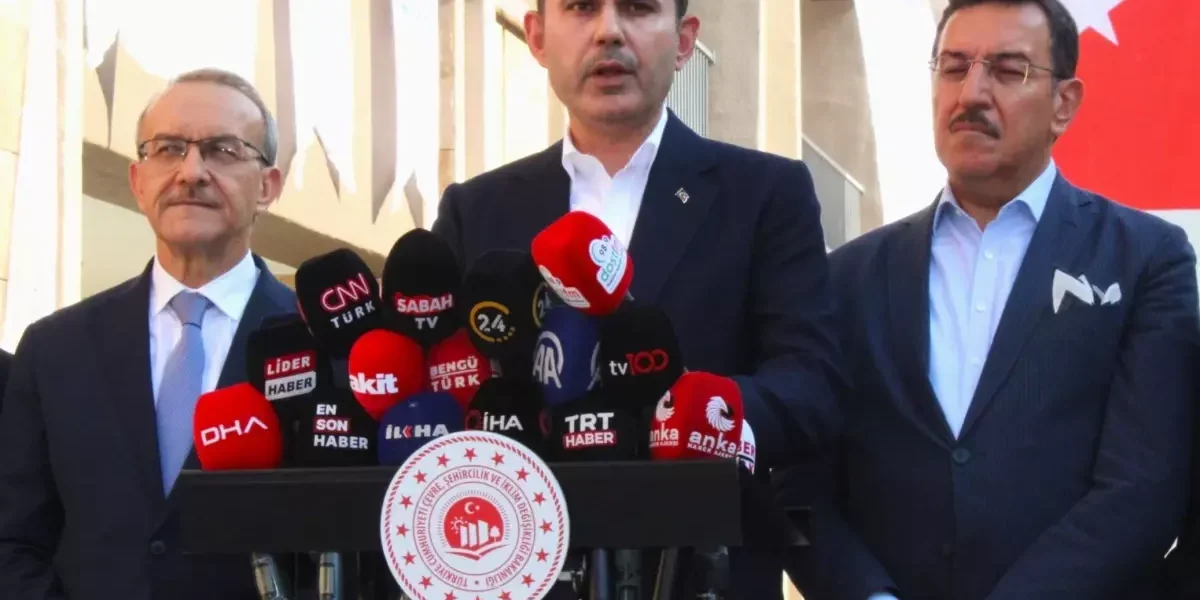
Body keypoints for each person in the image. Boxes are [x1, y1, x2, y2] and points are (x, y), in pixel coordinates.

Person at [779, 1, 1199, 599]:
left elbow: (1145, 487)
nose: (971, 94)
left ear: (1064, 103)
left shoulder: (1145, 260)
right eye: (954, 67)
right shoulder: (847, 278)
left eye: (1007, 70)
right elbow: (801, 487)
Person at [432, 0, 845, 597]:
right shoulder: (475, 210)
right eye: (582, 8)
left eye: (637, 8)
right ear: (538, 37)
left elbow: (811, 384)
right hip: (516, 572)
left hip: (702, 569)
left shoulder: (766, 194)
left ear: (684, 41)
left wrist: (705, 415)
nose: (609, 31)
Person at [0, 68, 297, 600]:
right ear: (138, 182)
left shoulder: (323, 344)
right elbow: (14, 540)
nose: (191, 172)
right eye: (168, 149)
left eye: (223, 150)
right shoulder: (53, 351)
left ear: (267, 187)